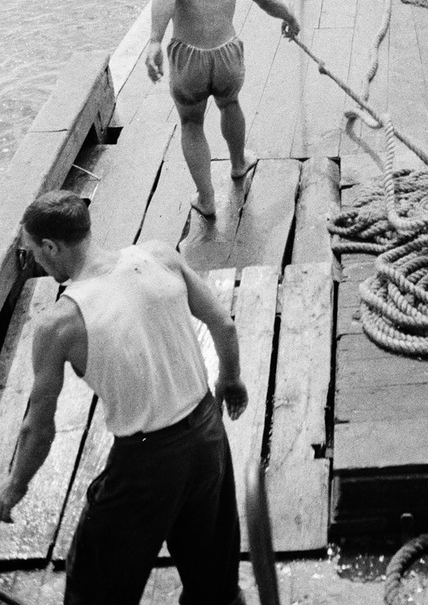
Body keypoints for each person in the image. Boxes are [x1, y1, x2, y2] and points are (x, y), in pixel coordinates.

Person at [0, 191, 248, 605]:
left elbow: (38, 428)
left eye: (31, 254)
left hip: (147, 462)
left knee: (95, 586)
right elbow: (224, 325)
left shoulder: (59, 324)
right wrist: (231, 381)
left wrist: (12, 489)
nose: (35, 263)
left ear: (50, 247)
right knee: (215, 583)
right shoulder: (159, 256)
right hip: (208, 434)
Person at [146, 0, 300, 218]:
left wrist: (154, 40)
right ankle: (238, 164)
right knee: (229, 104)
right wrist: (290, 18)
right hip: (227, 53)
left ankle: (206, 198)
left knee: (191, 122)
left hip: (189, 56)